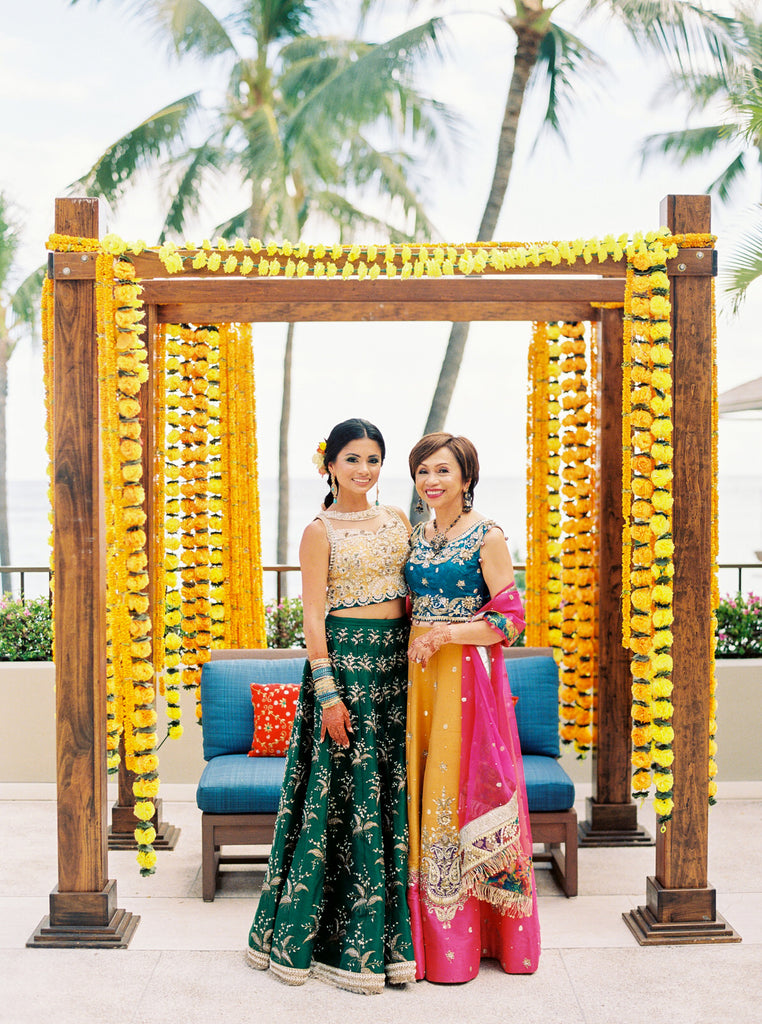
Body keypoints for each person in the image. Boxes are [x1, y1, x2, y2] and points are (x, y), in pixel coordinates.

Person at [247, 417, 417, 994]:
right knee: (340, 804)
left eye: (373, 459)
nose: (364, 470)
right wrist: (327, 694)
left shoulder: (397, 520)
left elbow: (419, 589)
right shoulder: (319, 530)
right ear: (330, 465)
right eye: (352, 459)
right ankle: (329, 945)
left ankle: (393, 943)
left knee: (387, 799)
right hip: (346, 669)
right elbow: (313, 616)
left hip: (396, 671)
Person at [404, 431, 541, 982]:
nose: (431, 482)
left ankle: (478, 942)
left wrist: (446, 633)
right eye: (422, 472)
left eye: (442, 471)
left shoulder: (489, 536)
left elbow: (510, 618)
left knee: (460, 792)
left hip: (468, 678)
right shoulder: (417, 536)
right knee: (426, 794)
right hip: (420, 681)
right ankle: (432, 943)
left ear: (466, 477)